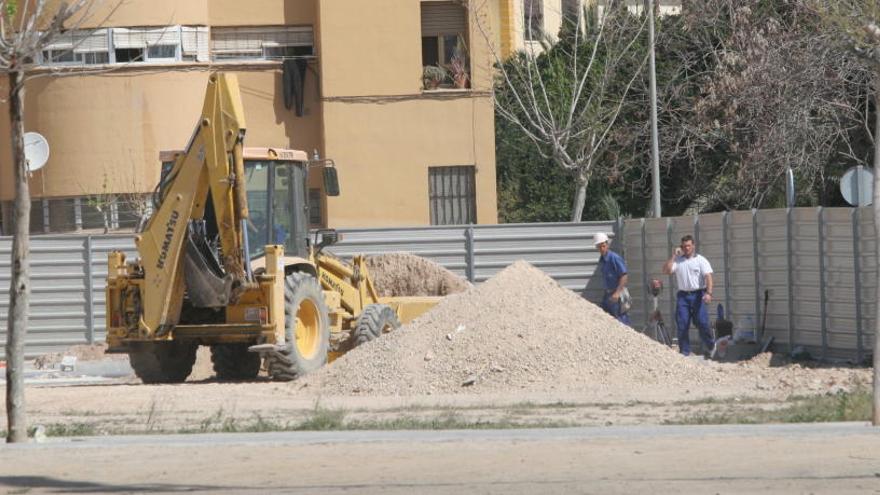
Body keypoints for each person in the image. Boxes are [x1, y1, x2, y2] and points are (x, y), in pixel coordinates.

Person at [662, 234, 714, 357]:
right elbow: (666, 271)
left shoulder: (701, 260)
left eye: (689, 246)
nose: (686, 248)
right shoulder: (678, 261)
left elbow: (708, 277)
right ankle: (685, 352)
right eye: (684, 246)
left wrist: (709, 293)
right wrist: (674, 256)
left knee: (702, 322)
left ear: (693, 246)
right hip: (683, 296)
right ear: (681, 247)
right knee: (682, 323)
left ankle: (711, 346)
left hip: (698, 294)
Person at [594, 232, 631, 325]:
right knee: (607, 320)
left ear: (607, 244)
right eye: (599, 247)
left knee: (620, 320)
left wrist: (617, 293)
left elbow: (624, 275)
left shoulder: (614, 258)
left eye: (603, 246)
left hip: (616, 295)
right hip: (607, 294)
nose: (602, 249)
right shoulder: (602, 260)